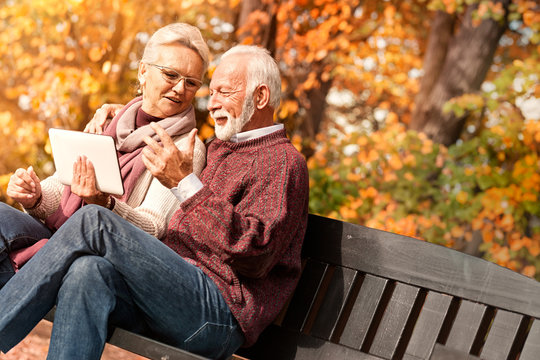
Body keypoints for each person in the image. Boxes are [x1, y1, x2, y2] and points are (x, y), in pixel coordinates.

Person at [0, 44, 309, 360]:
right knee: (87, 271)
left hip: (218, 315)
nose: (213, 103)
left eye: (224, 92)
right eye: (211, 92)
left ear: (259, 97)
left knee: (94, 220)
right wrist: (123, 113)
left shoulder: (282, 162)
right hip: (166, 297)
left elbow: (255, 256)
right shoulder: (220, 149)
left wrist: (184, 184)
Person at [0, 23, 208, 287]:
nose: (180, 88)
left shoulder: (184, 147)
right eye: (171, 75)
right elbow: (63, 186)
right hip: (62, 234)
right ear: (143, 71)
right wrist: (35, 194)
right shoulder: (111, 120)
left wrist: (105, 205)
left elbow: (154, 228)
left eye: (191, 83)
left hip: (106, 260)